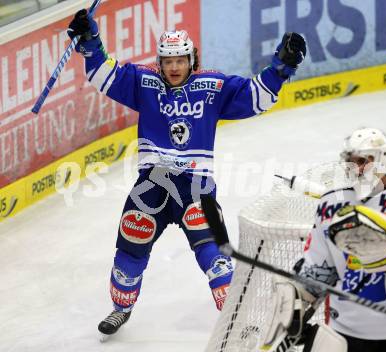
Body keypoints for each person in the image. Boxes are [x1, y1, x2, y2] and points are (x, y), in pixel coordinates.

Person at [67, 9, 307, 337]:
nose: (175, 67)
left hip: (195, 187)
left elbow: (255, 97)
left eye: (180, 60)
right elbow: (102, 74)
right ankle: (120, 308)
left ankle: (239, 317)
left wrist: (281, 68)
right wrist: (90, 41)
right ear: (160, 63)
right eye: (168, 61)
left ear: (191, 59)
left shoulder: (213, 86)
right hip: (151, 184)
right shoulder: (143, 82)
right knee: (130, 243)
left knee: (214, 255)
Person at [294, 127, 386, 351]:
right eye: (352, 162)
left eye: (364, 161)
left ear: (383, 158)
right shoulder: (330, 202)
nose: (357, 168)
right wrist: (299, 302)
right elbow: (318, 267)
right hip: (348, 330)